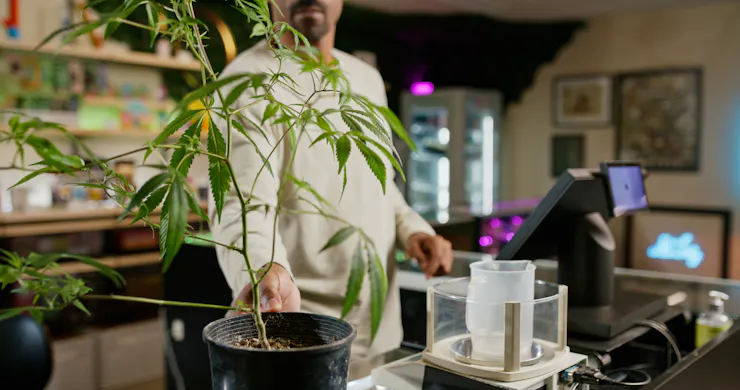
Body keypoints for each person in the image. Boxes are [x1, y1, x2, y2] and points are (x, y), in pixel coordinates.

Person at [208, 0, 454, 380]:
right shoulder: (247, 80)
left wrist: (413, 229)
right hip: (299, 332)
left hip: (380, 325)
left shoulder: (366, 78)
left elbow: (379, 183)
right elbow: (241, 206)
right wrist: (264, 271)